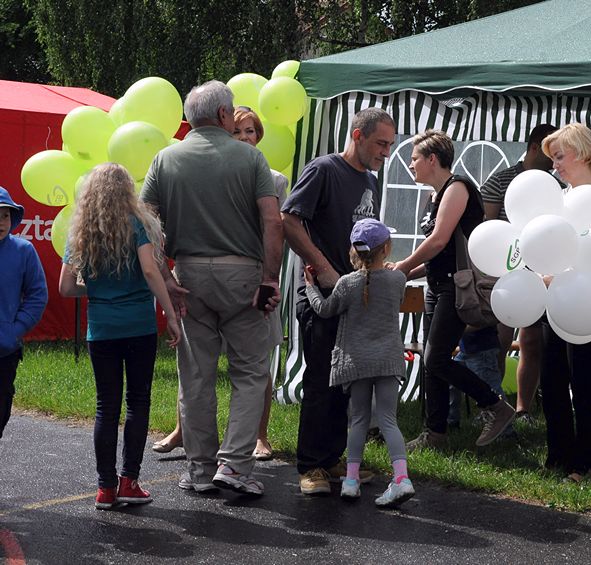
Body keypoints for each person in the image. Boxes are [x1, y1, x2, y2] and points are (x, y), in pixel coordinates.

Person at [140, 80, 283, 497]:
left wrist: (167, 276)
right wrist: (269, 279)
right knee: (251, 373)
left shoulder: (166, 158)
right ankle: (235, 465)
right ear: (224, 115)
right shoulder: (250, 158)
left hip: (188, 276)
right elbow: (273, 222)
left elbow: (146, 223)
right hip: (243, 275)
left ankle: (200, 470)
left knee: (196, 376)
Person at [281, 107, 395, 495]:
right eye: (381, 143)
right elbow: (289, 220)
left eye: (391, 145)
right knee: (319, 381)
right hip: (319, 295)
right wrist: (324, 269)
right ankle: (310, 466)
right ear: (357, 135)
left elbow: (363, 236)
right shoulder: (324, 169)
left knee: (341, 381)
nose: (386, 152)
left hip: (350, 295)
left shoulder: (371, 181)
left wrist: (376, 267)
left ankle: (330, 459)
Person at [59, 163, 181, 510]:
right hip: (139, 326)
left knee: (106, 407)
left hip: (102, 329)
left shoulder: (81, 232)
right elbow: (148, 269)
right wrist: (169, 313)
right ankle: (129, 481)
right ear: (128, 190)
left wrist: (98, 291)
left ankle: (105, 489)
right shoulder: (138, 224)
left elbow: (66, 287)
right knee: (137, 402)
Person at [393, 129, 515, 450]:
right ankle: (435, 434)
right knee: (432, 361)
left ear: (432, 159)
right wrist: (407, 274)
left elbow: (439, 240)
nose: (410, 164)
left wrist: (403, 266)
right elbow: (438, 254)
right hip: (438, 284)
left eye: (415, 158)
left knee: (435, 360)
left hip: (455, 288)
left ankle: (496, 407)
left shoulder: (457, 187)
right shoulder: (433, 195)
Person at [305, 218, 415, 507]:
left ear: (354, 251)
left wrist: (310, 288)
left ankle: (351, 481)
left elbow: (326, 310)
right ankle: (401, 479)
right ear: (386, 249)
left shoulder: (347, 284)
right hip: (389, 361)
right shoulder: (397, 280)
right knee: (389, 421)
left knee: (358, 421)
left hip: (357, 362)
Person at [538, 123, 591, 483]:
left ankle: (584, 464)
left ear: (583, 154)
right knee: (553, 379)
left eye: (559, 156)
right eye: (553, 158)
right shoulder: (560, 197)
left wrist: (564, 274)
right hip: (555, 301)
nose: (554, 164)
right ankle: (558, 456)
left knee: (583, 381)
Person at [480, 123, 557, 421]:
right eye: (552, 152)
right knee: (497, 342)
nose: (555, 159)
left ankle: (524, 409)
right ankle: (493, 407)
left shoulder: (556, 186)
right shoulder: (501, 180)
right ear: (536, 147)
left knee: (532, 342)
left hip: (540, 275)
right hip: (504, 275)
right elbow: (485, 227)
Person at [0, 186, 47, 440]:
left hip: (5, 351)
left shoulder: (23, 251)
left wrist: (13, 330)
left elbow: (37, 295)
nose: (1, 222)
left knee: (2, 413)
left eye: (5, 215)